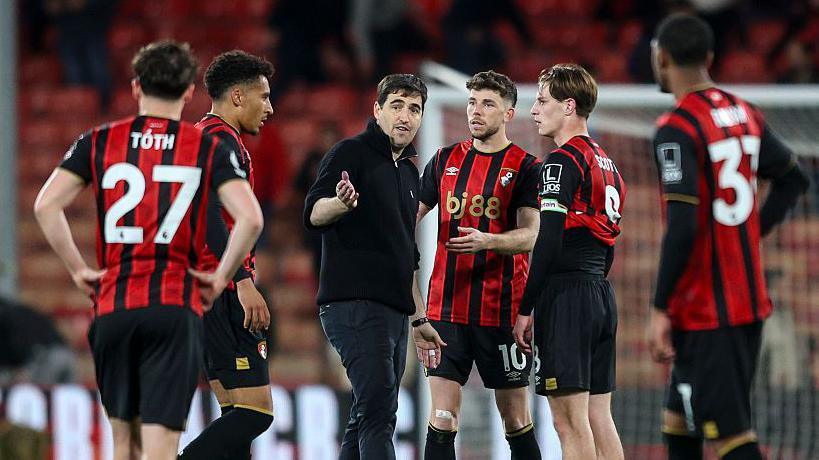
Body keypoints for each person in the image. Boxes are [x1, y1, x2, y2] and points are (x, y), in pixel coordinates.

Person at [32, 40, 263, 460]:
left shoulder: (99, 141)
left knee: (125, 444)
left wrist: (77, 269)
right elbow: (251, 218)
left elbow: (46, 205)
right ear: (190, 92)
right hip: (174, 307)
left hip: (114, 305)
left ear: (136, 87)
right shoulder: (203, 146)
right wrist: (220, 277)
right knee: (160, 446)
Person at [646, 14, 810, 460]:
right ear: (711, 58)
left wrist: (660, 307)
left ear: (661, 59)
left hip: (708, 311)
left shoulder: (676, 127)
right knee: (678, 420)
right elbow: (794, 178)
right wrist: (749, 232)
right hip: (739, 299)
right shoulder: (744, 112)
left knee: (730, 436)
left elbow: (682, 227)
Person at [304, 74, 445, 460]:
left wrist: (418, 320)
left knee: (367, 414)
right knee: (380, 413)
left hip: (394, 313)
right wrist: (340, 204)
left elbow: (406, 255)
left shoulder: (409, 172)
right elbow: (314, 212)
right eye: (397, 105)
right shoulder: (350, 153)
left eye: (414, 108)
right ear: (377, 110)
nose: (406, 116)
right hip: (354, 305)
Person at [416, 70, 542, 460]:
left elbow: (532, 234)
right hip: (445, 311)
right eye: (472, 102)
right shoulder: (442, 161)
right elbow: (404, 226)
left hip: (501, 311)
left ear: (508, 113)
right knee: (442, 417)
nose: (476, 111)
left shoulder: (525, 167)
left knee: (515, 420)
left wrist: (489, 241)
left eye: (487, 103)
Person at [513, 63, 626, 460]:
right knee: (599, 418)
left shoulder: (560, 162)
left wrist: (527, 307)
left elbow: (549, 239)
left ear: (568, 106)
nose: (533, 110)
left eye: (542, 101)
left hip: (567, 297)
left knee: (569, 423)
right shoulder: (608, 164)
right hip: (599, 294)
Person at [178, 50, 275, 460]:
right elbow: (206, 214)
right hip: (218, 288)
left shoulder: (199, 136)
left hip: (199, 288)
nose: (269, 107)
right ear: (237, 96)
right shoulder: (220, 142)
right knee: (256, 413)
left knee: (235, 412)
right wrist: (241, 281)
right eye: (263, 96)